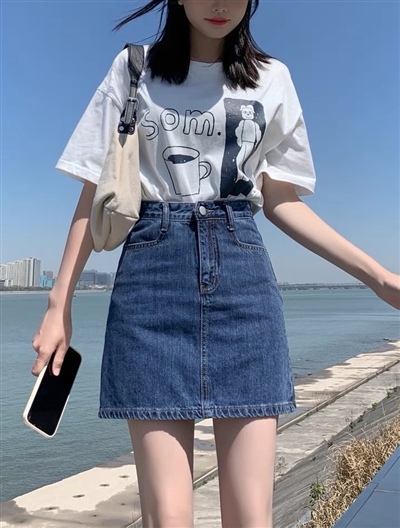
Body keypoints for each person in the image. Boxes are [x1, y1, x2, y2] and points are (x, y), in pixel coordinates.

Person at [31, 1, 400, 526]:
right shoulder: (134, 68)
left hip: (243, 281)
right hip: (150, 284)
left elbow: (282, 199)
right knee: (168, 517)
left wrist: (379, 278)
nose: (221, 3)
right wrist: (58, 303)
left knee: (251, 518)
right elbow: (96, 187)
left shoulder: (272, 78)